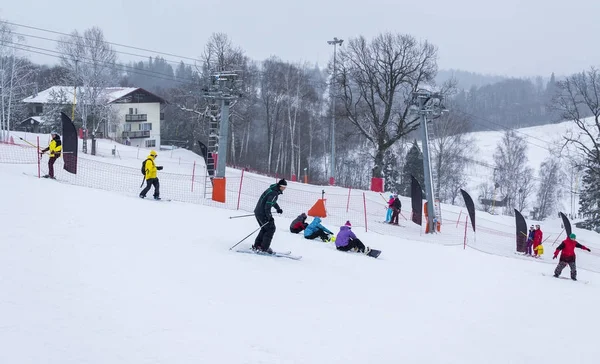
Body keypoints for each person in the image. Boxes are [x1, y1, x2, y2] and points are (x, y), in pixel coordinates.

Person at [253, 179, 287, 253]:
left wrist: (278, 208)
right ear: (281, 186)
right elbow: (267, 206)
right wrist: (269, 217)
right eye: (284, 187)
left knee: (265, 229)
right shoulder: (274, 193)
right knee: (271, 228)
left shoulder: (272, 189)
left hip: (258, 212)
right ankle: (264, 248)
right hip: (262, 213)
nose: (284, 189)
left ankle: (257, 245)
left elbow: (272, 202)